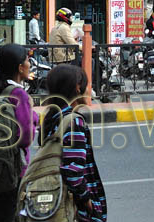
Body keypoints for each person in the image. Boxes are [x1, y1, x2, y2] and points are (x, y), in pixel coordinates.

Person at [0, 43, 37, 221]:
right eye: (28, 60)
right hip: (12, 167)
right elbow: (26, 137)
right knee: (9, 212)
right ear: (20, 67)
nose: (30, 64)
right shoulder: (19, 94)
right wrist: (34, 120)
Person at [41, 64, 108, 222]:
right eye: (87, 85)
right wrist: (88, 203)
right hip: (75, 208)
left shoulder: (53, 117)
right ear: (78, 87)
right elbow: (73, 172)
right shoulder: (73, 122)